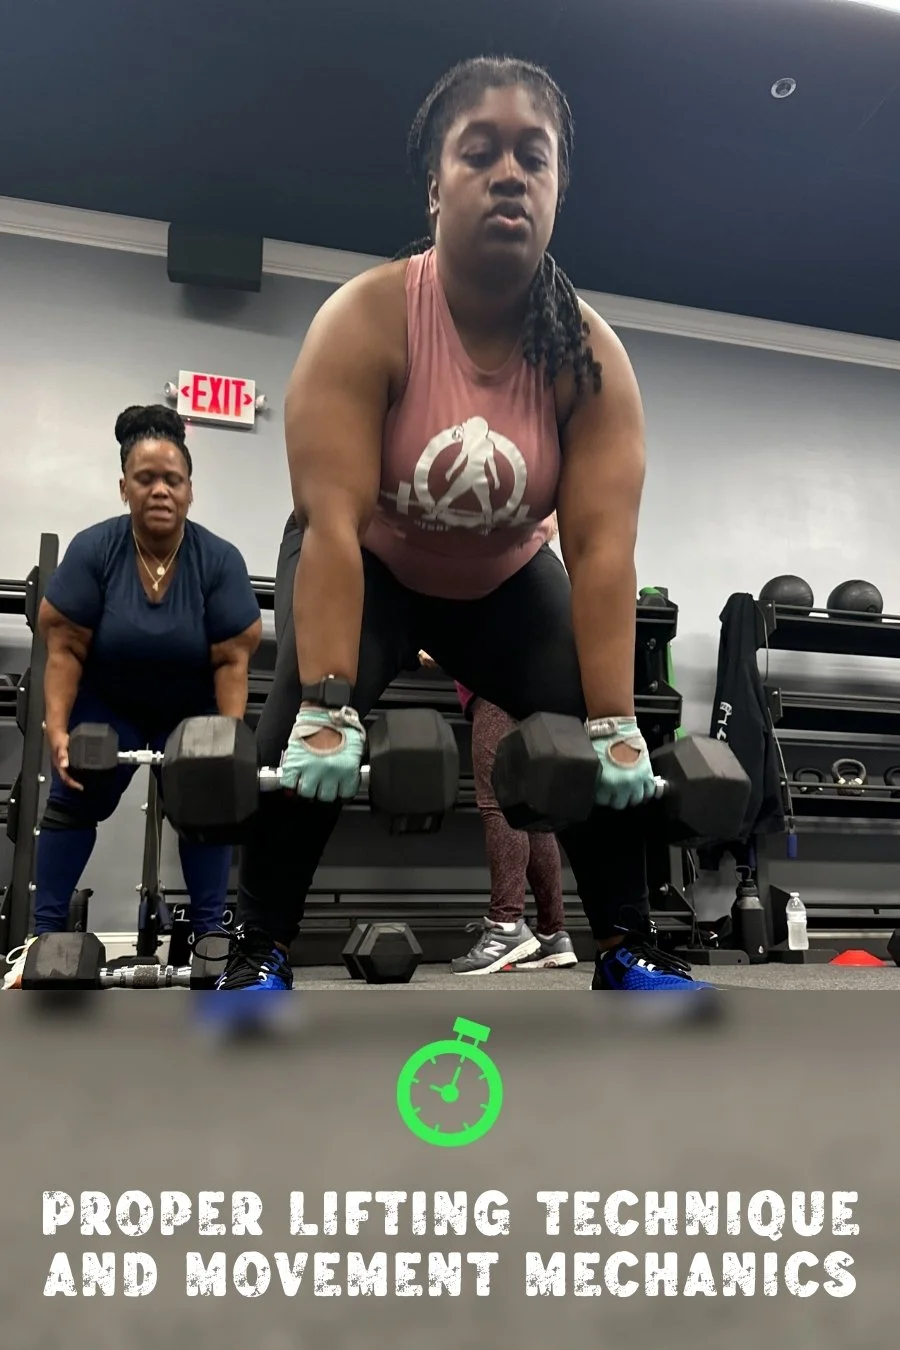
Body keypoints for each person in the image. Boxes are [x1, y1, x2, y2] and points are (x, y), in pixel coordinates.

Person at [217, 55, 713, 995]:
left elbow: (604, 553)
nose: (510, 173)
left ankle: (629, 945)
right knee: (295, 731)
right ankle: (258, 946)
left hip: (504, 581)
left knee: (598, 736)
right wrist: (327, 707)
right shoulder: (366, 320)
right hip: (370, 563)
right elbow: (327, 525)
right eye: (479, 152)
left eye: (536, 156)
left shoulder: (589, 355)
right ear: (435, 186)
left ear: (560, 188)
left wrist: (613, 724)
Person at [3, 404, 262, 988]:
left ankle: (209, 940)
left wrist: (225, 742)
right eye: (146, 479)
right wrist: (58, 731)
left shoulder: (218, 559)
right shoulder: (96, 550)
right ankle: (39, 939)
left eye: (173, 479)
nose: (161, 490)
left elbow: (230, 660)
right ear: (124, 487)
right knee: (72, 796)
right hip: (109, 700)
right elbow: (64, 648)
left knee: (209, 809)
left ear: (190, 490)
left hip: (191, 705)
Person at [416, 645, 575, 974]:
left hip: (496, 684)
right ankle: (552, 934)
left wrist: (444, 650)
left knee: (498, 803)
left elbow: (481, 626)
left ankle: (506, 928)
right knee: (531, 814)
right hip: (534, 686)